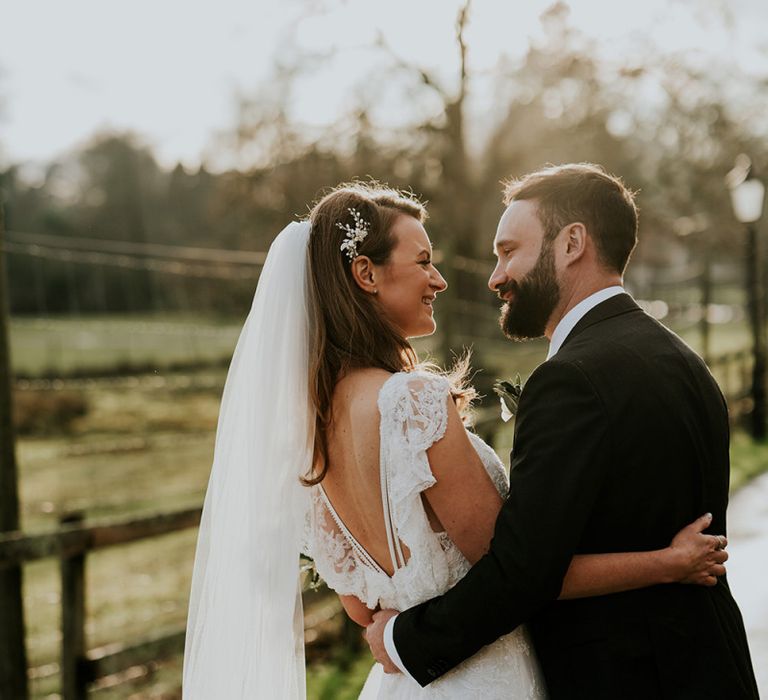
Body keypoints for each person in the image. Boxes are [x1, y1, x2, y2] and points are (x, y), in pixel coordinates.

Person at [182, 181, 732, 699]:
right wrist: (665, 562)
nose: (441, 280)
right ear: (366, 275)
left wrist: (397, 635)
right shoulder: (411, 402)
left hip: (404, 683)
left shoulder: (310, 428)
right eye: (423, 262)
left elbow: (360, 605)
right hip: (484, 677)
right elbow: (517, 573)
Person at [365, 165, 760, 699]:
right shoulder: (686, 361)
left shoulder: (569, 380)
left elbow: (524, 571)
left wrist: (405, 641)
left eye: (509, 252)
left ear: (572, 242)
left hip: (626, 679)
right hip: (716, 668)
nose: (495, 276)